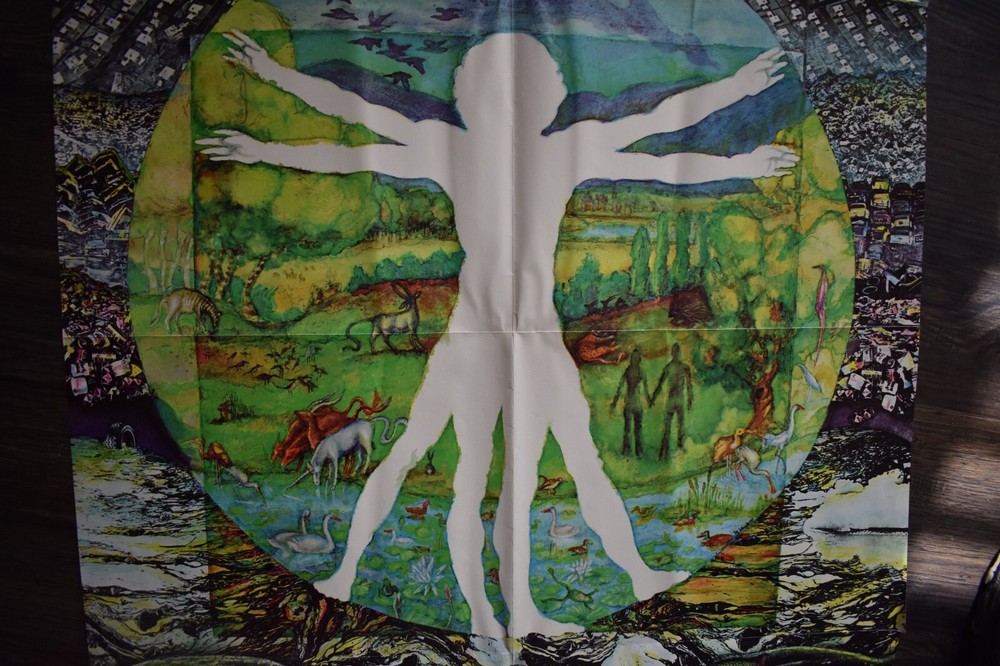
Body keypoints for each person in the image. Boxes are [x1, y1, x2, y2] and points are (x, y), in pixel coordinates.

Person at [199, 30, 796, 638]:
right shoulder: (462, 146)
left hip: (535, 343)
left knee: (551, 469)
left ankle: (605, 585)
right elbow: (352, 131)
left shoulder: (538, 147)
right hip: (473, 342)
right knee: (443, 466)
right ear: (474, 95)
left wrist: (741, 124)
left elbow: (658, 138)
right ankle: (357, 574)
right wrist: (264, 113)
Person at [649, 343, 694, 460]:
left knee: (676, 426)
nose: (676, 354)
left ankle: (671, 451)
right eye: (675, 352)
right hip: (676, 399)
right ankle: (667, 451)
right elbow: (660, 384)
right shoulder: (680, 367)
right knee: (674, 425)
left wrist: (690, 399)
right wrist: (653, 398)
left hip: (675, 399)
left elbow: (689, 385)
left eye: (676, 352)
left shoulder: (675, 367)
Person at [611, 349, 651, 458]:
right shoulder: (640, 371)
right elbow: (646, 389)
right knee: (636, 430)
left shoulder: (628, 370)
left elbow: (620, 387)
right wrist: (649, 400)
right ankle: (638, 452)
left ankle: (627, 451)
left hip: (629, 404)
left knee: (628, 429)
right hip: (636, 404)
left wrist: (614, 402)